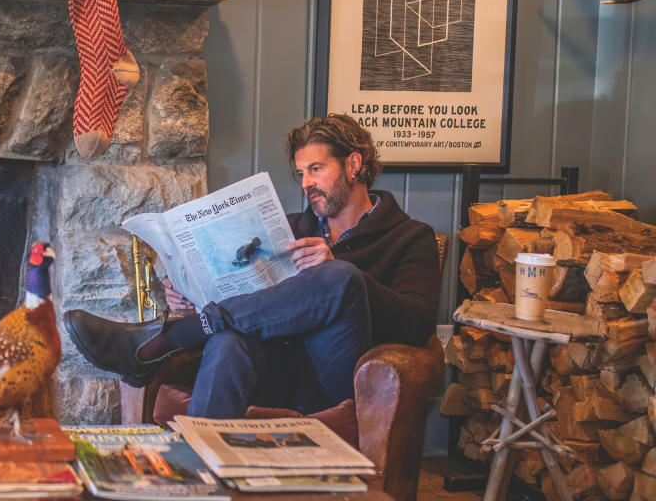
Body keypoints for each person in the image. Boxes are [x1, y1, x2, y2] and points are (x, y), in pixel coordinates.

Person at [63, 113, 440, 418]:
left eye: (317, 169)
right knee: (228, 340)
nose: (306, 183)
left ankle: (168, 337)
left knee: (339, 277)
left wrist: (337, 267)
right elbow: (253, 304)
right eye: (302, 173)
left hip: (338, 378)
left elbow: (417, 320)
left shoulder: (410, 237)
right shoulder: (289, 229)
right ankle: (198, 476)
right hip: (276, 370)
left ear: (354, 164)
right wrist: (191, 294)